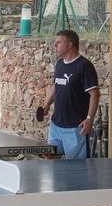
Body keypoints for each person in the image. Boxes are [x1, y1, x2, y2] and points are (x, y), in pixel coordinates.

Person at [40, 29, 99, 160]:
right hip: (56, 125)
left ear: (69, 45)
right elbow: (56, 86)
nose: (55, 46)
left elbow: (94, 94)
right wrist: (46, 105)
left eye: (58, 43)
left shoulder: (84, 66)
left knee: (77, 169)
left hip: (75, 128)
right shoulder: (60, 64)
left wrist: (89, 118)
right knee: (51, 159)